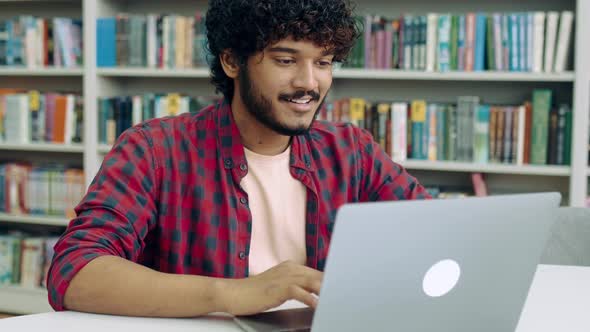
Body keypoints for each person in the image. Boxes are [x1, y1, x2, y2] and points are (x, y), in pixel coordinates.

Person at [47, 0, 430, 318]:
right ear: (232, 61)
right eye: (285, 60)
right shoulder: (155, 149)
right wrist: (233, 294)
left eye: (324, 62)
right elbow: (75, 271)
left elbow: (435, 236)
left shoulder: (351, 151)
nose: (309, 83)